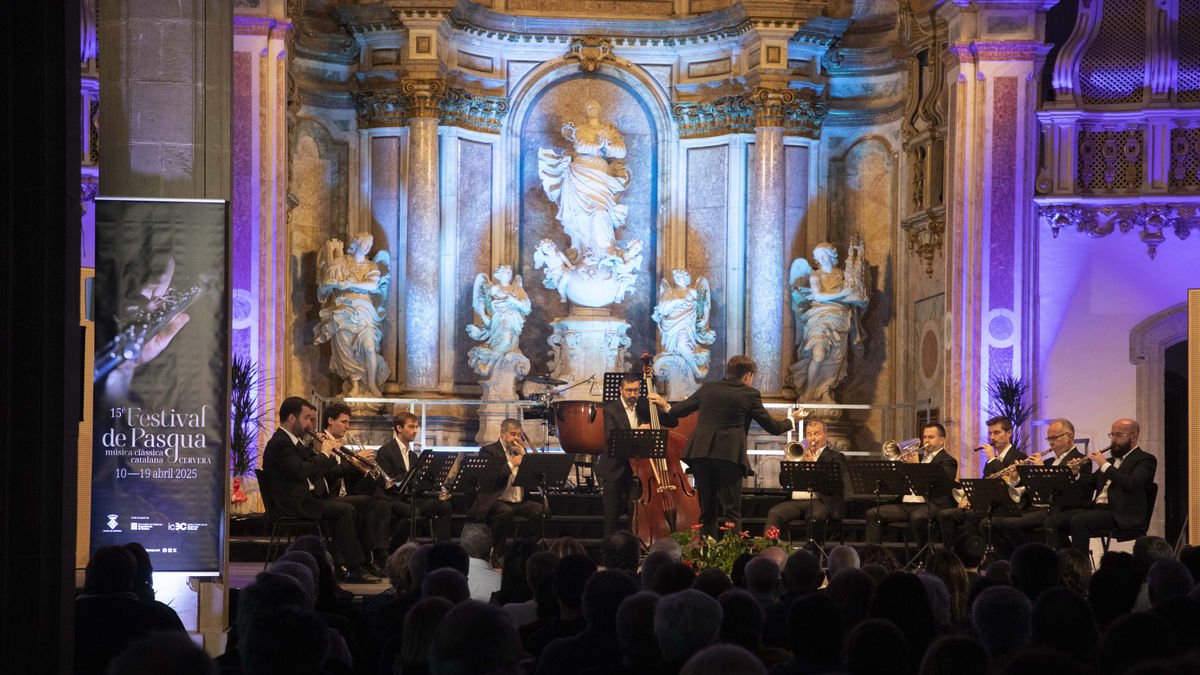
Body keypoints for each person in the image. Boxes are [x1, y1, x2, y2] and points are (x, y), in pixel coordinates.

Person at [669, 355, 802, 538]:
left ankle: (705, 553)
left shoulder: (709, 388)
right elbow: (773, 427)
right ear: (748, 375)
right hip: (728, 456)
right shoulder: (749, 394)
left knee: (707, 511)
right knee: (731, 511)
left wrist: (665, 408)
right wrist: (792, 420)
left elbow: (679, 410)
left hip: (701, 454)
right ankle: (731, 557)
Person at [260, 396, 379, 583]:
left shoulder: (296, 442)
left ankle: (363, 560)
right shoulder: (280, 443)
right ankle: (352, 567)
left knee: (366, 502)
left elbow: (316, 471)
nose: (310, 424)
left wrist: (319, 452)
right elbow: (300, 471)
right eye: (307, 418)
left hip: (308, 498)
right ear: (292, 418)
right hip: (294, 504)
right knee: (344, 510)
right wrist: (324, 453)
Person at [537, 98, 630, 261]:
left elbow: (621, 151)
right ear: (586, 112)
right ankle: (582, 251)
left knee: (601, 211)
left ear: (600, 110)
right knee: (579, 214)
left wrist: (605, 146)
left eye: (594, 106)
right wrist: (600, 147)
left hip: (601, 175)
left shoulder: (609, 130)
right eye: (588, 107)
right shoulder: (581, 129)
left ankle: (604, 252)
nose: (592, 109)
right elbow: (581, 146)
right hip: (579, 172)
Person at [1047, 418, 1157, 553]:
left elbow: (1131, 483)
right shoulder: (1110, 461)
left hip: (1122, 513)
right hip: (1098, 510)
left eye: (1119, 435)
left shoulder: (1145, 459)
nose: (1114, 440)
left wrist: (1104, 465)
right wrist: (1076, 475)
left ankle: (1081, 569)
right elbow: (1088, 487)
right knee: (1053, 521)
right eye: (1112, 435)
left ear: (1134, 436)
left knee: (1079, 520)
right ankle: (1068, 561)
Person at [988, 418, 1092, 556]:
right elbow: (1033, 490)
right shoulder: (1049, 461)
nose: (1051, 442)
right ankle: (1015, 560)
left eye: (1055, 438)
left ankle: (1028, 556)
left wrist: (1040, 469)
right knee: (996, 522)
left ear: (1070, 436)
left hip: (1061, 510)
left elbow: (1082, 492)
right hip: (1038, 508)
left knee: (1011, 524)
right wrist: (1015, 478)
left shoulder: (1081, 460)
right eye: (1049, 438)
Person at [788, 239, 869, 404]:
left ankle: (825, 391)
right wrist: (843, 294)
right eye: (819, 257)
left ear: (832, 255)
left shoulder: (844, 274)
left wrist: (858, 298)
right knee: (818, 354)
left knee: (835, 359)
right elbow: (818, 296)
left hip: (841, 319)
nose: (822, 259)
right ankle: (809, 392)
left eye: (825, 255)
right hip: (820, 318)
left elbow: (858, 295)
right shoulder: (816, 275)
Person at [318, 401, 393, 573]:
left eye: (348, 422)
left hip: (345, 492)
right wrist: (353, 461)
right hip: (329, 495)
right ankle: (366, 559)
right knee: (369, 502)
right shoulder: (321, 441)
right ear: (330, 420)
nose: (347, 426)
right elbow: (328, 474)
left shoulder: (340, 444)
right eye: (344, 422)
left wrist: (364, 466)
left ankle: (374, 555)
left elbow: (344, 473)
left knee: (379, 496)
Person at [600, 371, 676, 536]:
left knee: (636, 514)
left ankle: (634, 550)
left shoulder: (644, 406)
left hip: (639, 471)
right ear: (621, 389)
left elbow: (672, 422)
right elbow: (611, 437)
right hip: (615, 468)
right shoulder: (610, 409)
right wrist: (637, 432)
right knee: (611, 516)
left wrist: (665, 405)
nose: (632, 394)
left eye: (636, 390)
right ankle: (607, 554)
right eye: (629, 390)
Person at [314, 233, 390, 397]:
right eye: (365, 243)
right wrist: (330, 283)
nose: (368, 247)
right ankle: (355, 383)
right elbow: (323, 288)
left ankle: (371, 384)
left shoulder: (371, 266)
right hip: (343, 310)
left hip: (365, 310)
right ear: (356, 243)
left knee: (370, 347)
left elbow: (372, 284)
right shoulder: (339, 263)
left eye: (370, 244)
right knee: (345, 348)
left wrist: (349, 283)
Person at [938, 416, 1027, 548]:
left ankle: (974, 555)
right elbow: (985, 484)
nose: (992, 437)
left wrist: (992, 459)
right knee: (945, 515)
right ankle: (953, 556)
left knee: (971, 515)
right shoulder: (991, 461)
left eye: (996, 433)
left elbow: (1006, 482)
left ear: (1009, 433)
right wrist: (970, 498)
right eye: (990, 433)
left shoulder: (1019, 457)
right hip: (987, 504)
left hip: (1005, 507)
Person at [865, 422, 957, 547]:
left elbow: (941, 486)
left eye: (931, 437)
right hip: (905, 504)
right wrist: (901, 468)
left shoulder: (948, 461)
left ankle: (922, 559)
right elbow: (898, 482)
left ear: (942, 440)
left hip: (931, 504)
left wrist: (916, 467)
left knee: (918, 517)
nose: (926, 441)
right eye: (925, 437)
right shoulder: (916, 456)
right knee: (873, 513)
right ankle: (872, 556)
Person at [466, 418, 548, 553]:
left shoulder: (521, 452)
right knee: (505, 512)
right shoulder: (488, 451)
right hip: (497, 499)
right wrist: (512, 464)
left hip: (519, 500)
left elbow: (533, 479)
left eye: (518, 435)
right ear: (502, 434)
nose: (516, 438)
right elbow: (491, 478)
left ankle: (524, 548)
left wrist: (527, 460)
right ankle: (498, 552)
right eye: (512, 434)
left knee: (543, 511)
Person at [763, 417, 848, 545]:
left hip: (820, 501)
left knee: (815, 517)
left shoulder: (835, 457)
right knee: (774, 513)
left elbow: (834, 483)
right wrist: (789, 466)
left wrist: (812, 465)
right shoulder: (800, 453)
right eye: (809, 434)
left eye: (816, 434)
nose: (812, 438)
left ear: (826, 435)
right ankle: (769, 551)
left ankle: (814, 554)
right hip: (796, 501)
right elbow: (784, 482)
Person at [375, 411, 453, 543]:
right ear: (399, 428)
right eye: (411, 426)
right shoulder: (386, 451)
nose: (415, 430)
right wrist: (413, 474)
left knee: (445, 506)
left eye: (416, 427)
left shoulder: (413, 456)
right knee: (413, 512)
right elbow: (389, 482)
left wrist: (429, 482)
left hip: (409, 498)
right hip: (392, 499)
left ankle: (443, 548)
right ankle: (394, 547)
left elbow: (414, 483)